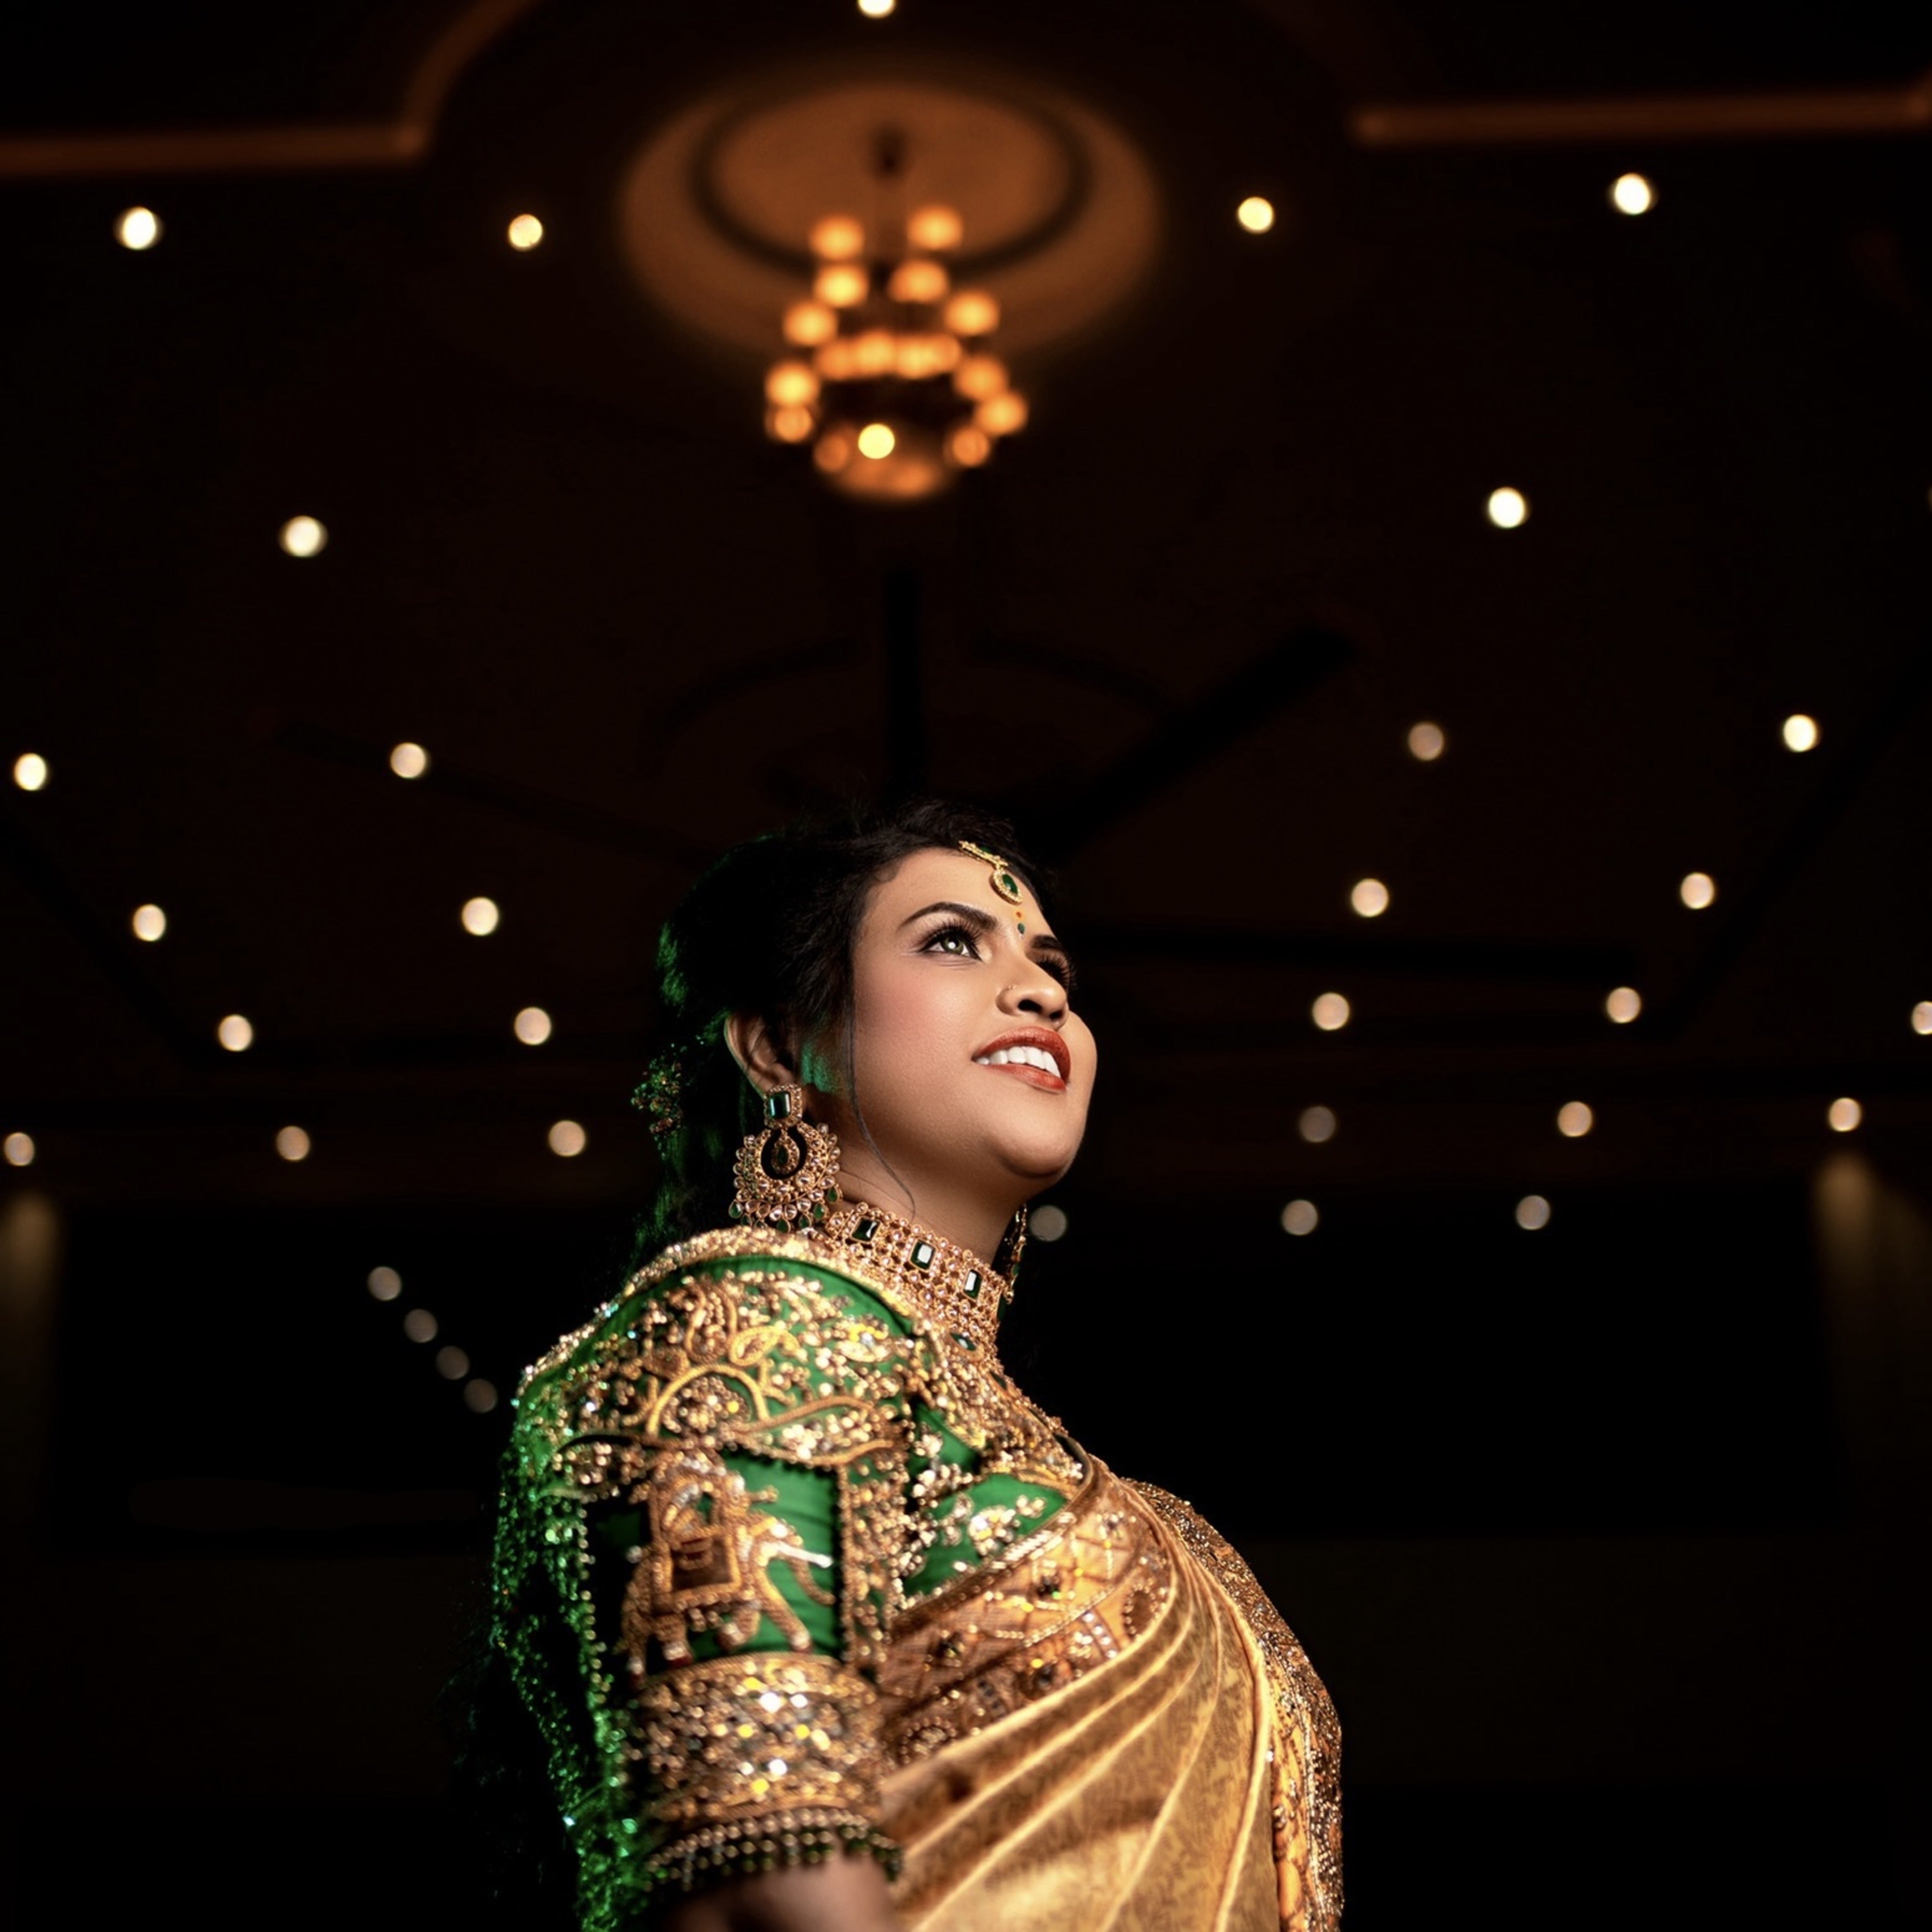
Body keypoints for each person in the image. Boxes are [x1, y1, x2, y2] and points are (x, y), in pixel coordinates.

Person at [490, 799, 1340, 1932]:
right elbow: (753, 1873)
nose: (1042, 993)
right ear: (778, 1046)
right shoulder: (748, 1329)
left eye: (1054, 969)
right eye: (952, 942)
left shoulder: (1144, 1514)